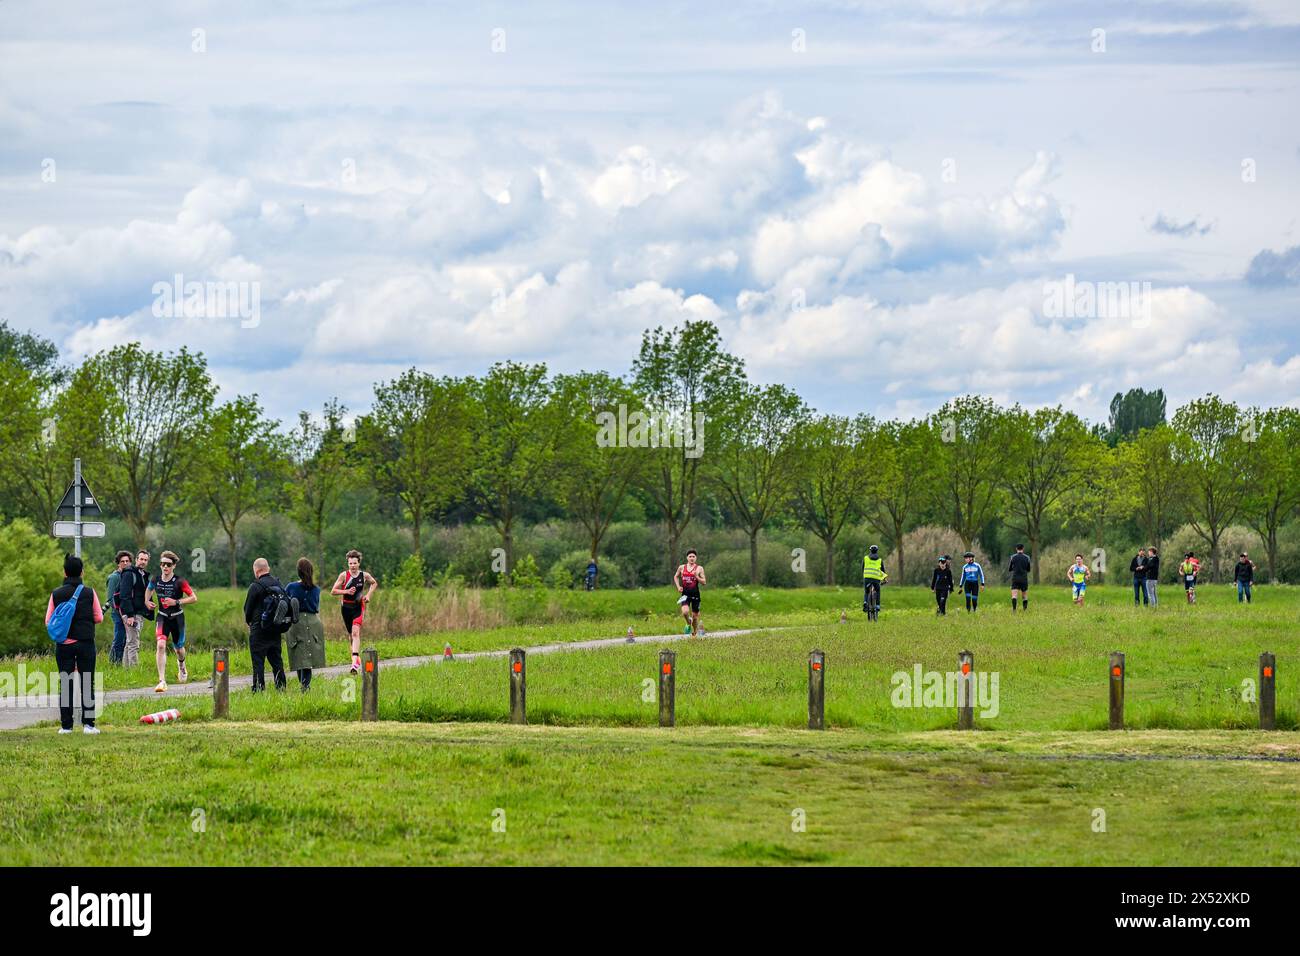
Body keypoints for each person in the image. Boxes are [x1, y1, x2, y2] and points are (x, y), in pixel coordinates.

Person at [45, 553, 103, 734]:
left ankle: (66, 726)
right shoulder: (89, 592)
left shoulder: (56, 594)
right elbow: (99, 617)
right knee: (87, 682)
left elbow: (48, 621)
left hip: (64, 645)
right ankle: (89, 725)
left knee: (65, 683)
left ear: (64, 572)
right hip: (85, 643)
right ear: (82, 572)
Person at [145, 550, 195, 692]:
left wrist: (176, 601)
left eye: (168, 564)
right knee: (160, 645)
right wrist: (146, 601)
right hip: (162, 617)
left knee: (179, 649)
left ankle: (182, 666)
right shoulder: (155, 579)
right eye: (162, 564)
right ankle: (162, 681)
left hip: (177, 617)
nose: (165, 567)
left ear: (173, 566)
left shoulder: (180, 581)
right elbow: (149, 590)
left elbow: (193, 597)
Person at [244, 558, 287, 692]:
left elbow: (247, 609)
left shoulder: (255, 586)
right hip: (275, 628)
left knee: (258, 662)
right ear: (268, 569)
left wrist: (249, 622)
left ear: (256, 571)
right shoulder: (278, 584)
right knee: (277, 661)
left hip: (259, 629)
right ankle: (281, 688)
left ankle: (258, 689)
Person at [331, 549, 378, 675]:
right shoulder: (343, 575)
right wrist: (346, 592)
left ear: (359, 563)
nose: (352, 566)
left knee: (356, 632)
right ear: (348, 564)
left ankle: (354, 663)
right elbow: (333, 591)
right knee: (351, 635)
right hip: (345, 608)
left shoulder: (364, 575)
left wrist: (368, 595)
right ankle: (356, 660)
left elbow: (374, 583)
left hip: (358, 607)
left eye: (354, 563)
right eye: (350, 563)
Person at [286, 557, 326, 690]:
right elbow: (316, 607)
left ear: (298, 571)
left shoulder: (291, 587)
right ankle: (305, 685)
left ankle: (304, 685)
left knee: (299, 655)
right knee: (308, 658)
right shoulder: (316, 589)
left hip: (296, 622)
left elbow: (286, 605)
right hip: (314, 621)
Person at [114, 550, 152, 669]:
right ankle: (134, 670)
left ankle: (126, 670)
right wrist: (130, 615)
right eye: (141, 559)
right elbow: (124, 595)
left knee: (129, 642)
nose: (143, 562)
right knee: (134, 643)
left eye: (145, 560)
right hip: (131, 613)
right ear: (136, 560)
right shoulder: (129, 573)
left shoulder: (143, 575)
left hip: (138, 613)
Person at [105, 550, 131, 664]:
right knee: (119, 638)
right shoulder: (114, 577)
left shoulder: (129, 576)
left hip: (129, 613)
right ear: (118, 563)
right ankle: (113, 663)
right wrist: (121, 612)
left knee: (127, 640)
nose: (125, 563)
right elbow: (111, 599)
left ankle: (123, 663)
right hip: (118, 613)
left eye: (127, 561)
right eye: (122, 561)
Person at [674, 549, 706, 636]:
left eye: (693, 557)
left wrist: (697, 577)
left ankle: (695, 632)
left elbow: (704, 582)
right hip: (685, 594)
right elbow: (676, 576)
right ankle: (688, 622)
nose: (692, 558)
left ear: (696, 558)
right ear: (687, 558)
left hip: (695, 595)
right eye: (690, 556)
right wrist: (678, 587)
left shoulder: (699, 568)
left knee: (695, 617)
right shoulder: (682, 567)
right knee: (685, 612)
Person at [862, 545, 887, 620]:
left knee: (866, 591)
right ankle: (878, 605)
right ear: (877, 551)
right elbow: (883, 571)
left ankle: (865, 602)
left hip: (867, 577)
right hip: (876, 578)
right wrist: (885, 579)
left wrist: (864, 577)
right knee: (878, 590)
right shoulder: (880, 560)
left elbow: (862, 568)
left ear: (870, 550)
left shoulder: (865, 558)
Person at [1008, 544, 1031, 612]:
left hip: (1015, 578)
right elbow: (1028, 569)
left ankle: (1014, 610)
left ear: (1016, 549)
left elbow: (1009, 569)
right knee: (1024, 595)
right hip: (1024, 578)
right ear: (1023, 548)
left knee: (1014, 595)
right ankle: (1025, 610)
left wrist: (1015, 568)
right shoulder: (1027, 557)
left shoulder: (1013, 557)